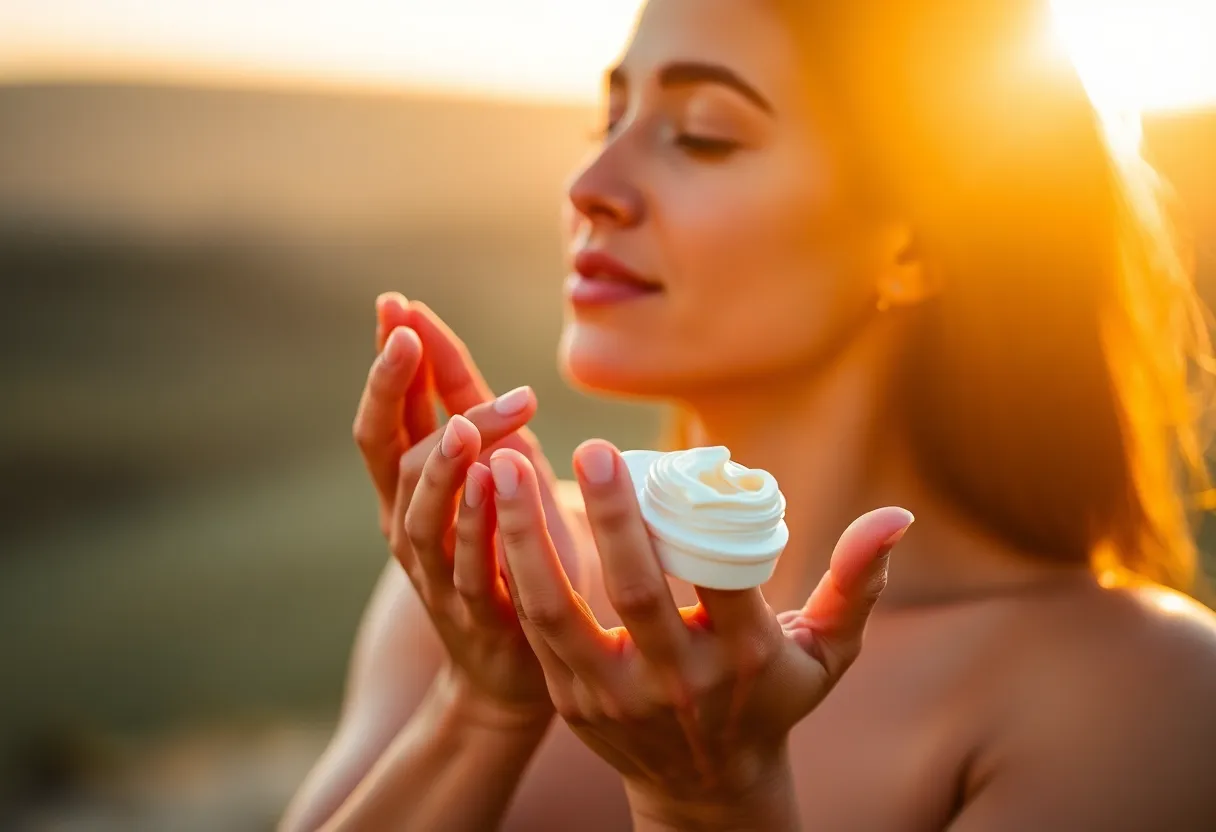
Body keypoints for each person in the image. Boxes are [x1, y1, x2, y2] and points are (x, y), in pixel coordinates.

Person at [281, 0, 1216, 829]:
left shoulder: (1139, 695)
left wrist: (709, 801)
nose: (589, 186)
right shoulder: (482, 594)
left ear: (915, 241)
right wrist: (479, 707)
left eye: (700, 134)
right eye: (608, 116)